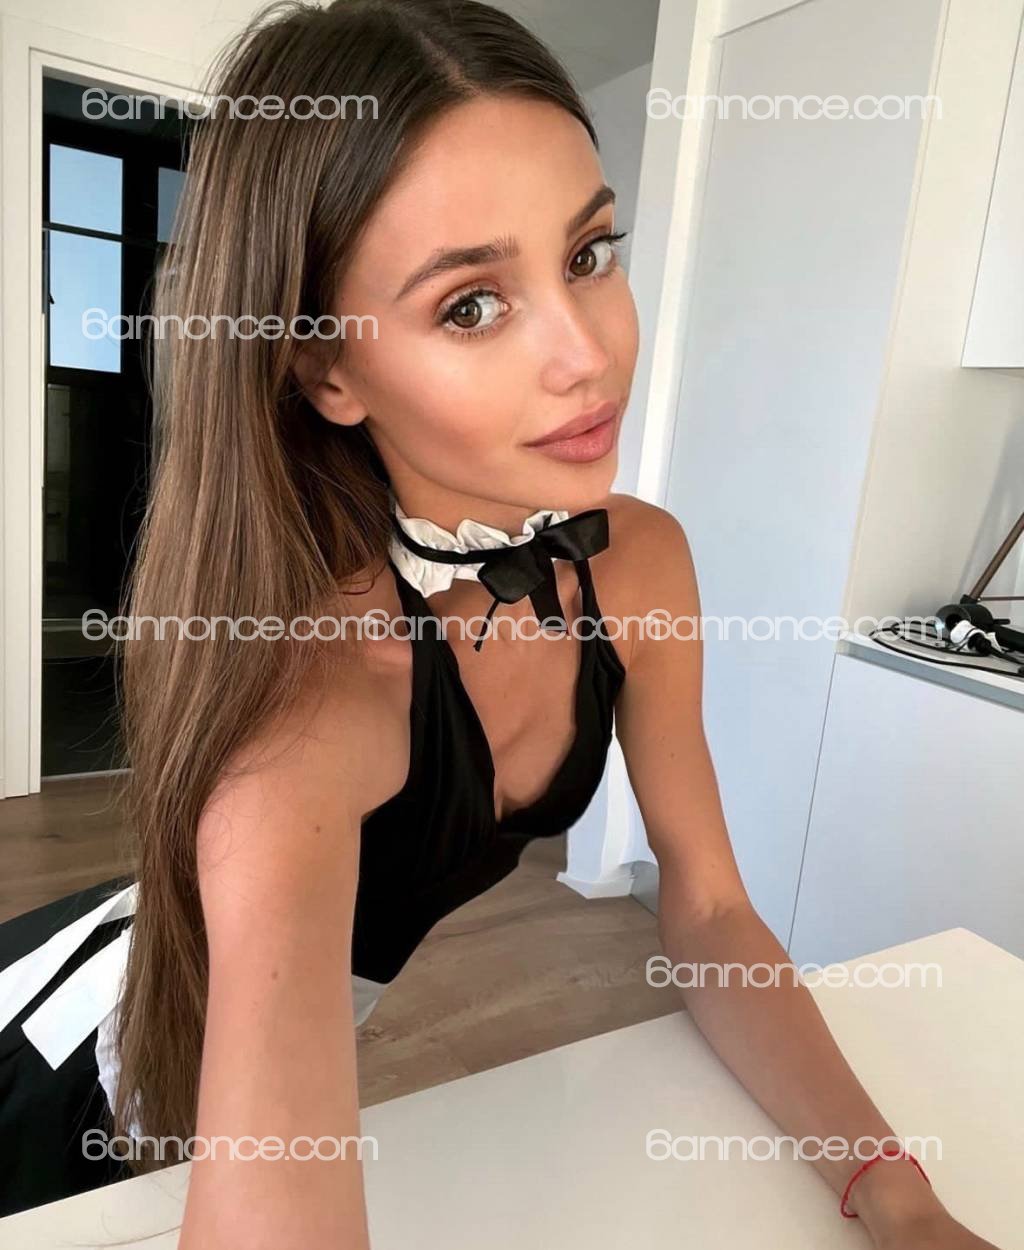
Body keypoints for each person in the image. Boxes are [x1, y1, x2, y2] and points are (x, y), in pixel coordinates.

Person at [0, 2, 1000, 1247]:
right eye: (470, 305)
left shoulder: (635, 562)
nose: (587, 354)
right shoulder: (315, 695)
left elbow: (707, 910)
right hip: (78, 1086)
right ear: (328, 372)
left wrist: (895, 1194)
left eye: (587, 253)